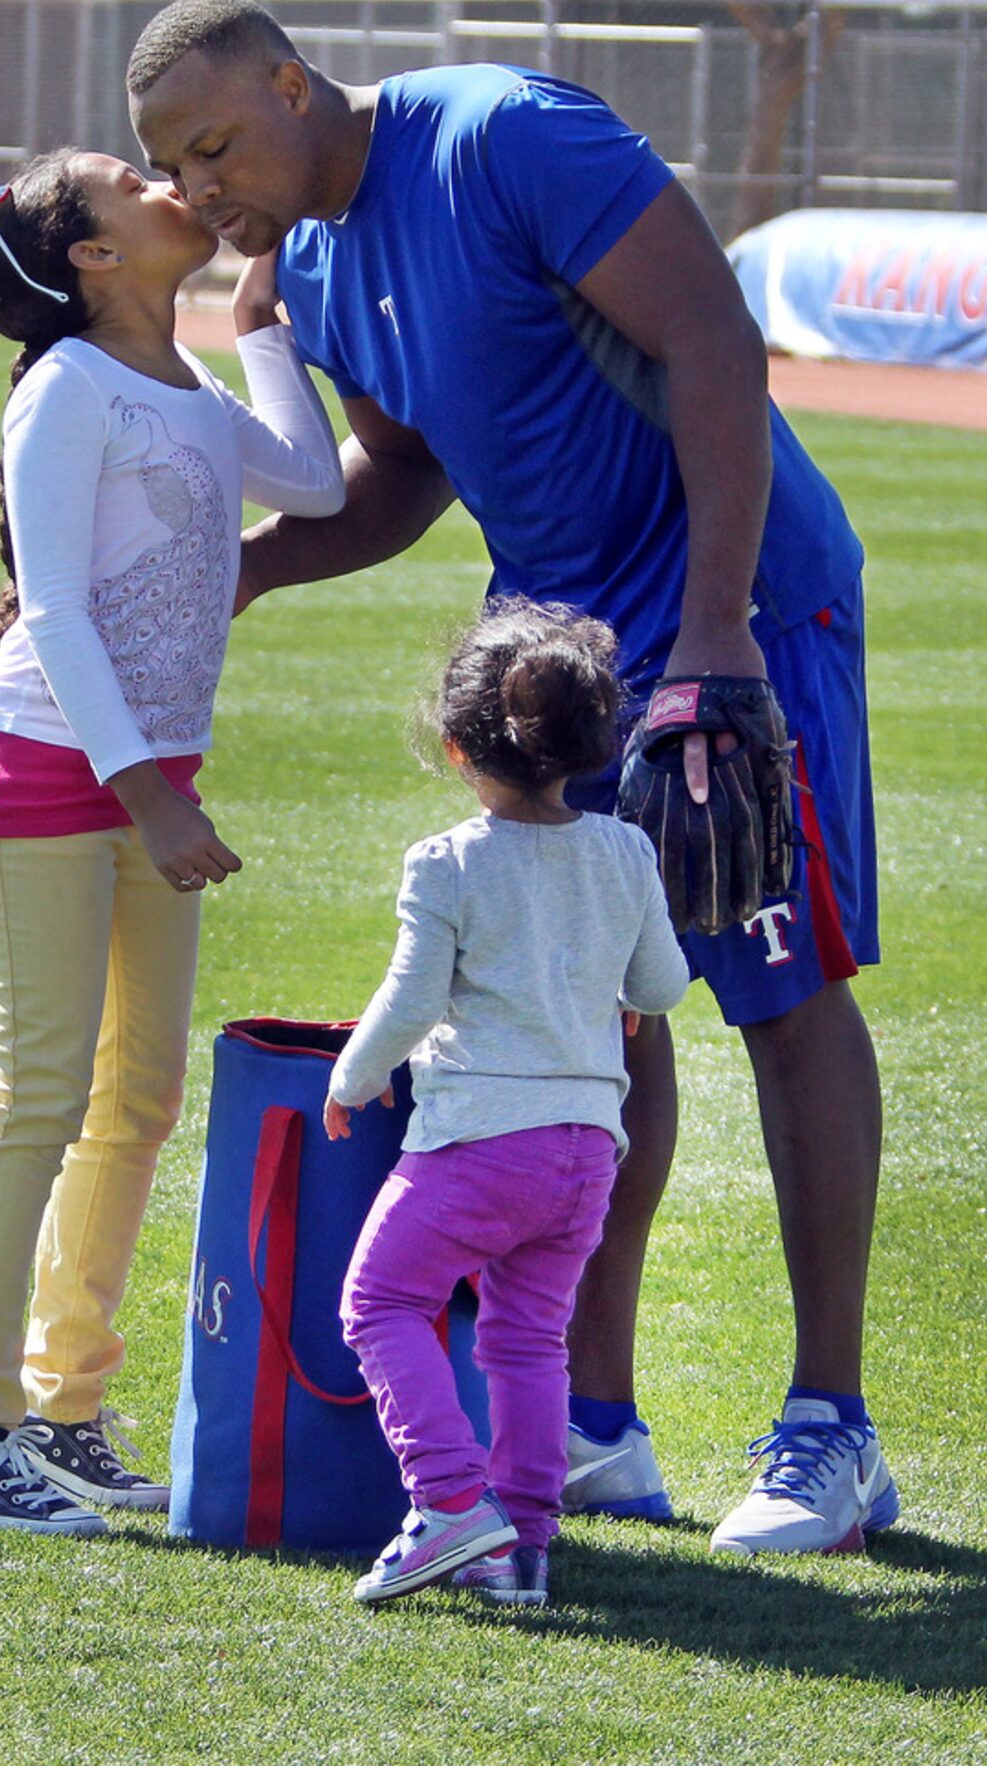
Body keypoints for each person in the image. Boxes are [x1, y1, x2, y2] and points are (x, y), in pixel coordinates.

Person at [128, 0, 898, 1556]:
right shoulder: (321, 272)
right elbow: (404, 478)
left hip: (733, 609)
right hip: (563, 645)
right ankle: (599, 1420)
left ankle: (834, 1426)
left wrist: (714, 630)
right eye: (176, 170)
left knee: (780, 986)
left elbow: (713, 342)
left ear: (292, 83)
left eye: (217, 143)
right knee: (589, 1009)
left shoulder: (503, 136)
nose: (205, 193)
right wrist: (252, 569)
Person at [0, 148, 345, 1535]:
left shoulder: (190, 390)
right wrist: (150, 790)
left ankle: (65, 1405)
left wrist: (261, 327)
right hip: (44, 769)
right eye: (124, 177)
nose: (166, 178)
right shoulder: (67, 389)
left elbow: (318, 483)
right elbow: (54, 610)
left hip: (141, 782)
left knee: (136, 1097)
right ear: (92, 256)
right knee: (36, 1091)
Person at [328, 597, 689, 1608]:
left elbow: (409, 999)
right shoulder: (624, 851)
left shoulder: (447, 862)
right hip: (584, 1155)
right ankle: (521, 1548)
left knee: (382, 1301)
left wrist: (350, 1078)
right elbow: (660, 987)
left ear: (456, 747)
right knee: (528, 1338)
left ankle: (447, 1500)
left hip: (476, 1146)